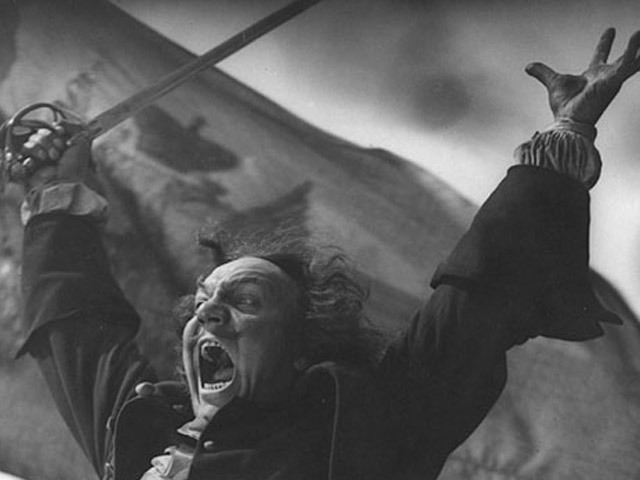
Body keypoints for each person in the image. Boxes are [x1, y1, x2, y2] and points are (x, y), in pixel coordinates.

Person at [9, 29, 640, 480]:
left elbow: (476, 304)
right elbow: (74, 325)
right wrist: (53, 194)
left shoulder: (359, 430)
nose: (207, 315)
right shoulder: (136, 432)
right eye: (202, 303)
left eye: (245, 300)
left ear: (301, 350)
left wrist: (566, 136)